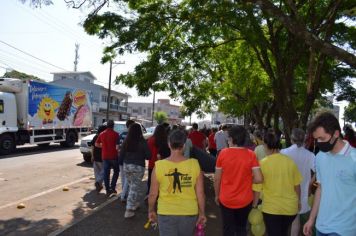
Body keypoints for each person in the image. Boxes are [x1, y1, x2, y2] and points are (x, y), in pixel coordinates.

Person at [303, 112, 356, 236]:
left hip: (344, 230)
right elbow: (320, 188)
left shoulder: (354, 158)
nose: (319, 143)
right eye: (316, 139)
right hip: (321, 227)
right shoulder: (320, 157)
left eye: (322, 138)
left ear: (336, 134)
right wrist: (311, 219)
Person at [148, 129, 207, 236]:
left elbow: (153, 194)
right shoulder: (194, 164)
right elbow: (200, 193)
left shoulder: (159, 166)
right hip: (189, 213)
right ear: (184, 145)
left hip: (166, 212)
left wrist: (151, 210)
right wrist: (202, 213)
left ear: (169, 144)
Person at [214, 125, 263, 236]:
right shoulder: (251, 155)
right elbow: (259, 179)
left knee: (228, 229)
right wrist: (248, 179)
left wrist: (217, 195)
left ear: (231, 139)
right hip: (245, 199)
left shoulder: (223, 153)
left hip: (226, 199)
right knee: (241, 228)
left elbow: (217, 179)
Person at [253, 131, 302, 236]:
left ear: (266, 145)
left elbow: (257, 189)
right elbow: (297, 185)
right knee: (283, 232)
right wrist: (298, 202)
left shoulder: (262, 163)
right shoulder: (290, 162)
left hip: (271, 209)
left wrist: (254, 205)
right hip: (290, 208)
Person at [281, 128, 315, 236]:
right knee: (296, 219)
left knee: (284, 219)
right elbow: (319, 171)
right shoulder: (309, 155)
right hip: (302, 190)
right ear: (304, 140)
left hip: (285, 190)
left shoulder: (283, 153)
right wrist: (310, 184)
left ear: (291, 139)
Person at [120, 123, 151, 218]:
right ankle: (128, 210)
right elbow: (148, 156)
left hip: (126, 166)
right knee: (134, 187)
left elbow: (121, 154)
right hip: (138, 167)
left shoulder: (126, 140)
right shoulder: (142, 141)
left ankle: (134, 204)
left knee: (132, 186)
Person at [95, 120, 120, 197]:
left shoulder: (102, 134)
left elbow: (96, 144)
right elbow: (118, 147)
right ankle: (112, 187)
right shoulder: (116, 134)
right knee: (116, 171)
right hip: (114, 156)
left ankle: (107, 189)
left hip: (105, 156)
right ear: (113, 126)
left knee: (106, 173)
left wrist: (103, 146)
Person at [147, 124, 170, 197]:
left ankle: (149, 193)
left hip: (151, 163)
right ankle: (159, 194)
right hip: (162, 164)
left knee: (151, 180)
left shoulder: (150, 139)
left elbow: (148, 151)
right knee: (161, 181)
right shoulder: (166, 140)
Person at [118, 119, 135, 202]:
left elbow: (117, 148)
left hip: (121, 158)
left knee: (123, 178)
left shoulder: (121, 134)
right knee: (128, 179)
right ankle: (124, 195)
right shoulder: (132, 136)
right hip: (128, 160)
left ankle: (123, 194)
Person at [91, 125, 107, 193]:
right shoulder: (103, 136)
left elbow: (92, 147)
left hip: (95, 157)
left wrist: (92, 156)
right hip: (102, 157)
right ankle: (98, 183)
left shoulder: (95, 136)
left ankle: (98, 185)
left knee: (97, 172)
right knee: (104, 171)